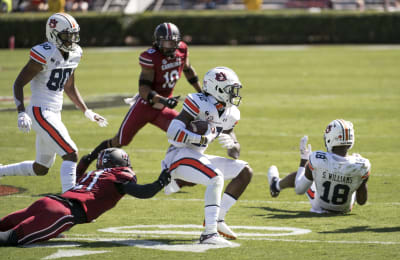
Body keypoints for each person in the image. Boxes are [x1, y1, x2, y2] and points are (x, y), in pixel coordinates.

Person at [76, 22, 202, 178]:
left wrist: (201, 93)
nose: (171, 46)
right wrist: (163, 100)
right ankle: (87, 160)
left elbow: (188, 70)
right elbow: (144, 91)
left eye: (173, 42)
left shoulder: (182, 49)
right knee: (119, 141)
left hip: (163, 108)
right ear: (158, 42)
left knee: (187, 133)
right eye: (167, 42)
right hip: (145, 107)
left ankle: (179, 174)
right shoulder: (150, 57)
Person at [0, 13, 107, 193]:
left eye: (74, 35)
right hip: (40, 111)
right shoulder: (44, 53)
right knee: (71, 153)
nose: (71, 40)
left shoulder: (75, 53)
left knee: (40, 168)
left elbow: (70, 86)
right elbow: (18, 83)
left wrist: (87, 111)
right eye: (67, 35)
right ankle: (71, 199)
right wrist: (20, 111)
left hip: (54, 113)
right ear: (53, 33)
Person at [0, 148, 171, 246]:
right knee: (10, 239)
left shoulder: (93, 174)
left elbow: (80, 168)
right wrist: (160, 182)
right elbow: (142, 192)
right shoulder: (118, 176)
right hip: (62, 213)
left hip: (47, 201)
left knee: (3, 225)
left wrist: (88, 158)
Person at [162, 66, 253, 245]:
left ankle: (218, 219)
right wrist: (199, 138)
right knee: (215, 177)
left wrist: (233, 145)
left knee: (244, 171)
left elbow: (234, 151)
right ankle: (209, 234)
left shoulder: (230, 112)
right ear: (217, 89)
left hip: (195, 156)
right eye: (230, 90)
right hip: (177, 156)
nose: (234, 94)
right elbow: (172, 132)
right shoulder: (198, 101)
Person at [267, 119, 371, 214]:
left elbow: (299, 189)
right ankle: (276, 185)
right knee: (351, 177)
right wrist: (358, 177)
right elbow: (361, 201)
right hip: (345, 208)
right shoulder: (362, 165)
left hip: (320, 206)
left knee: (310, 173)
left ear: (330, 138)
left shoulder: (317, 159)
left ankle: (275, 185)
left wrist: (304, 159)